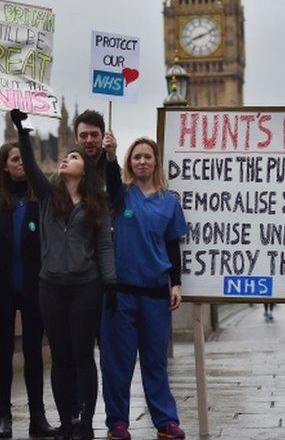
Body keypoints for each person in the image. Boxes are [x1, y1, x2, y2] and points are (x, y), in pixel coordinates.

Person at [11, 108, 116, 440]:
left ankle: (85, 422)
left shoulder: (95, 199)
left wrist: (110, 282)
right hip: (51, 286)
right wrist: (22, 131)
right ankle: (68, 419)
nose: (67, 159)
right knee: (59, 356)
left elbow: (103, 246)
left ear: (84, 168)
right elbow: (29, 167)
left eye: (74, 157)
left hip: (86, 285)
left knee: (83, 355)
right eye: (67, 155)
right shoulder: (47, 196)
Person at [101, 137, 188, 440]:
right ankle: (118, 423)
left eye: (147, 157)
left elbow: (172, 243)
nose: (141, 161)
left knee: (155, 362)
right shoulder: (120, 196)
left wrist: (176, 282)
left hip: (155, 293)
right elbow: (110, 181)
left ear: (155, 162)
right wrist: (109, 157)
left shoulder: (169, 201)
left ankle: (165, 421)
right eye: (136, 157)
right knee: (118, 364)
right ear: (129, 162)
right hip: (121, 293)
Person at [0, 142, 56, 438]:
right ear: (5, 165)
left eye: (24, 159)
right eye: (15, 160)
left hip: (32, 286)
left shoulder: (39, 198)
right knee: (2, 353)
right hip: (1, 288)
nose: (21, 164)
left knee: (33, 354)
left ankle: (37, 416)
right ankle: (4, 415)